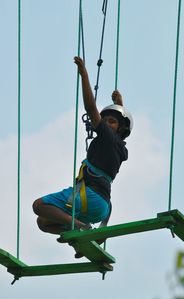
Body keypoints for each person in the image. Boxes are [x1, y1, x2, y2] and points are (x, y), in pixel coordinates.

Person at [32, 56, 133, 238]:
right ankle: (82, 235)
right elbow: (118, 126)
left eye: (111, 121)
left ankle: (79, 227)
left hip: (89, 197)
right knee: (43, 223)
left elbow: (91, 108)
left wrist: (84, 75)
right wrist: (119, 105)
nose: (105, 123)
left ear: (120, 128)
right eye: (105, 120)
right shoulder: (119, 148)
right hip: (101, 207)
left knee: (38, 206)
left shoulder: (109, 139)